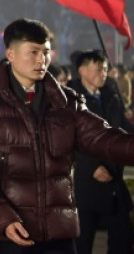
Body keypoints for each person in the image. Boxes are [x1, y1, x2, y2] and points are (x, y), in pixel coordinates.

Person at [0, 18, 134, 253]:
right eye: (34, 52)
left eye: (46, 52)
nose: (41, 60)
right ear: (11, 54)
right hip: (10, 235)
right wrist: (1, 217)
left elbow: (104, 138)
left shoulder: (65, 103)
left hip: (59, 233)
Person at [67, 50, 134, 254]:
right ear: (82, 70)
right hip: (86, 184)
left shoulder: (110, 97)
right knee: (82, 243)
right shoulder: (69, 100)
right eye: (98, 69)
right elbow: (70, 140)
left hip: (113, 180)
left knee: (122, 237)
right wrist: (91, 168)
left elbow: (123, 131)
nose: (103, 73)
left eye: (105, 69)